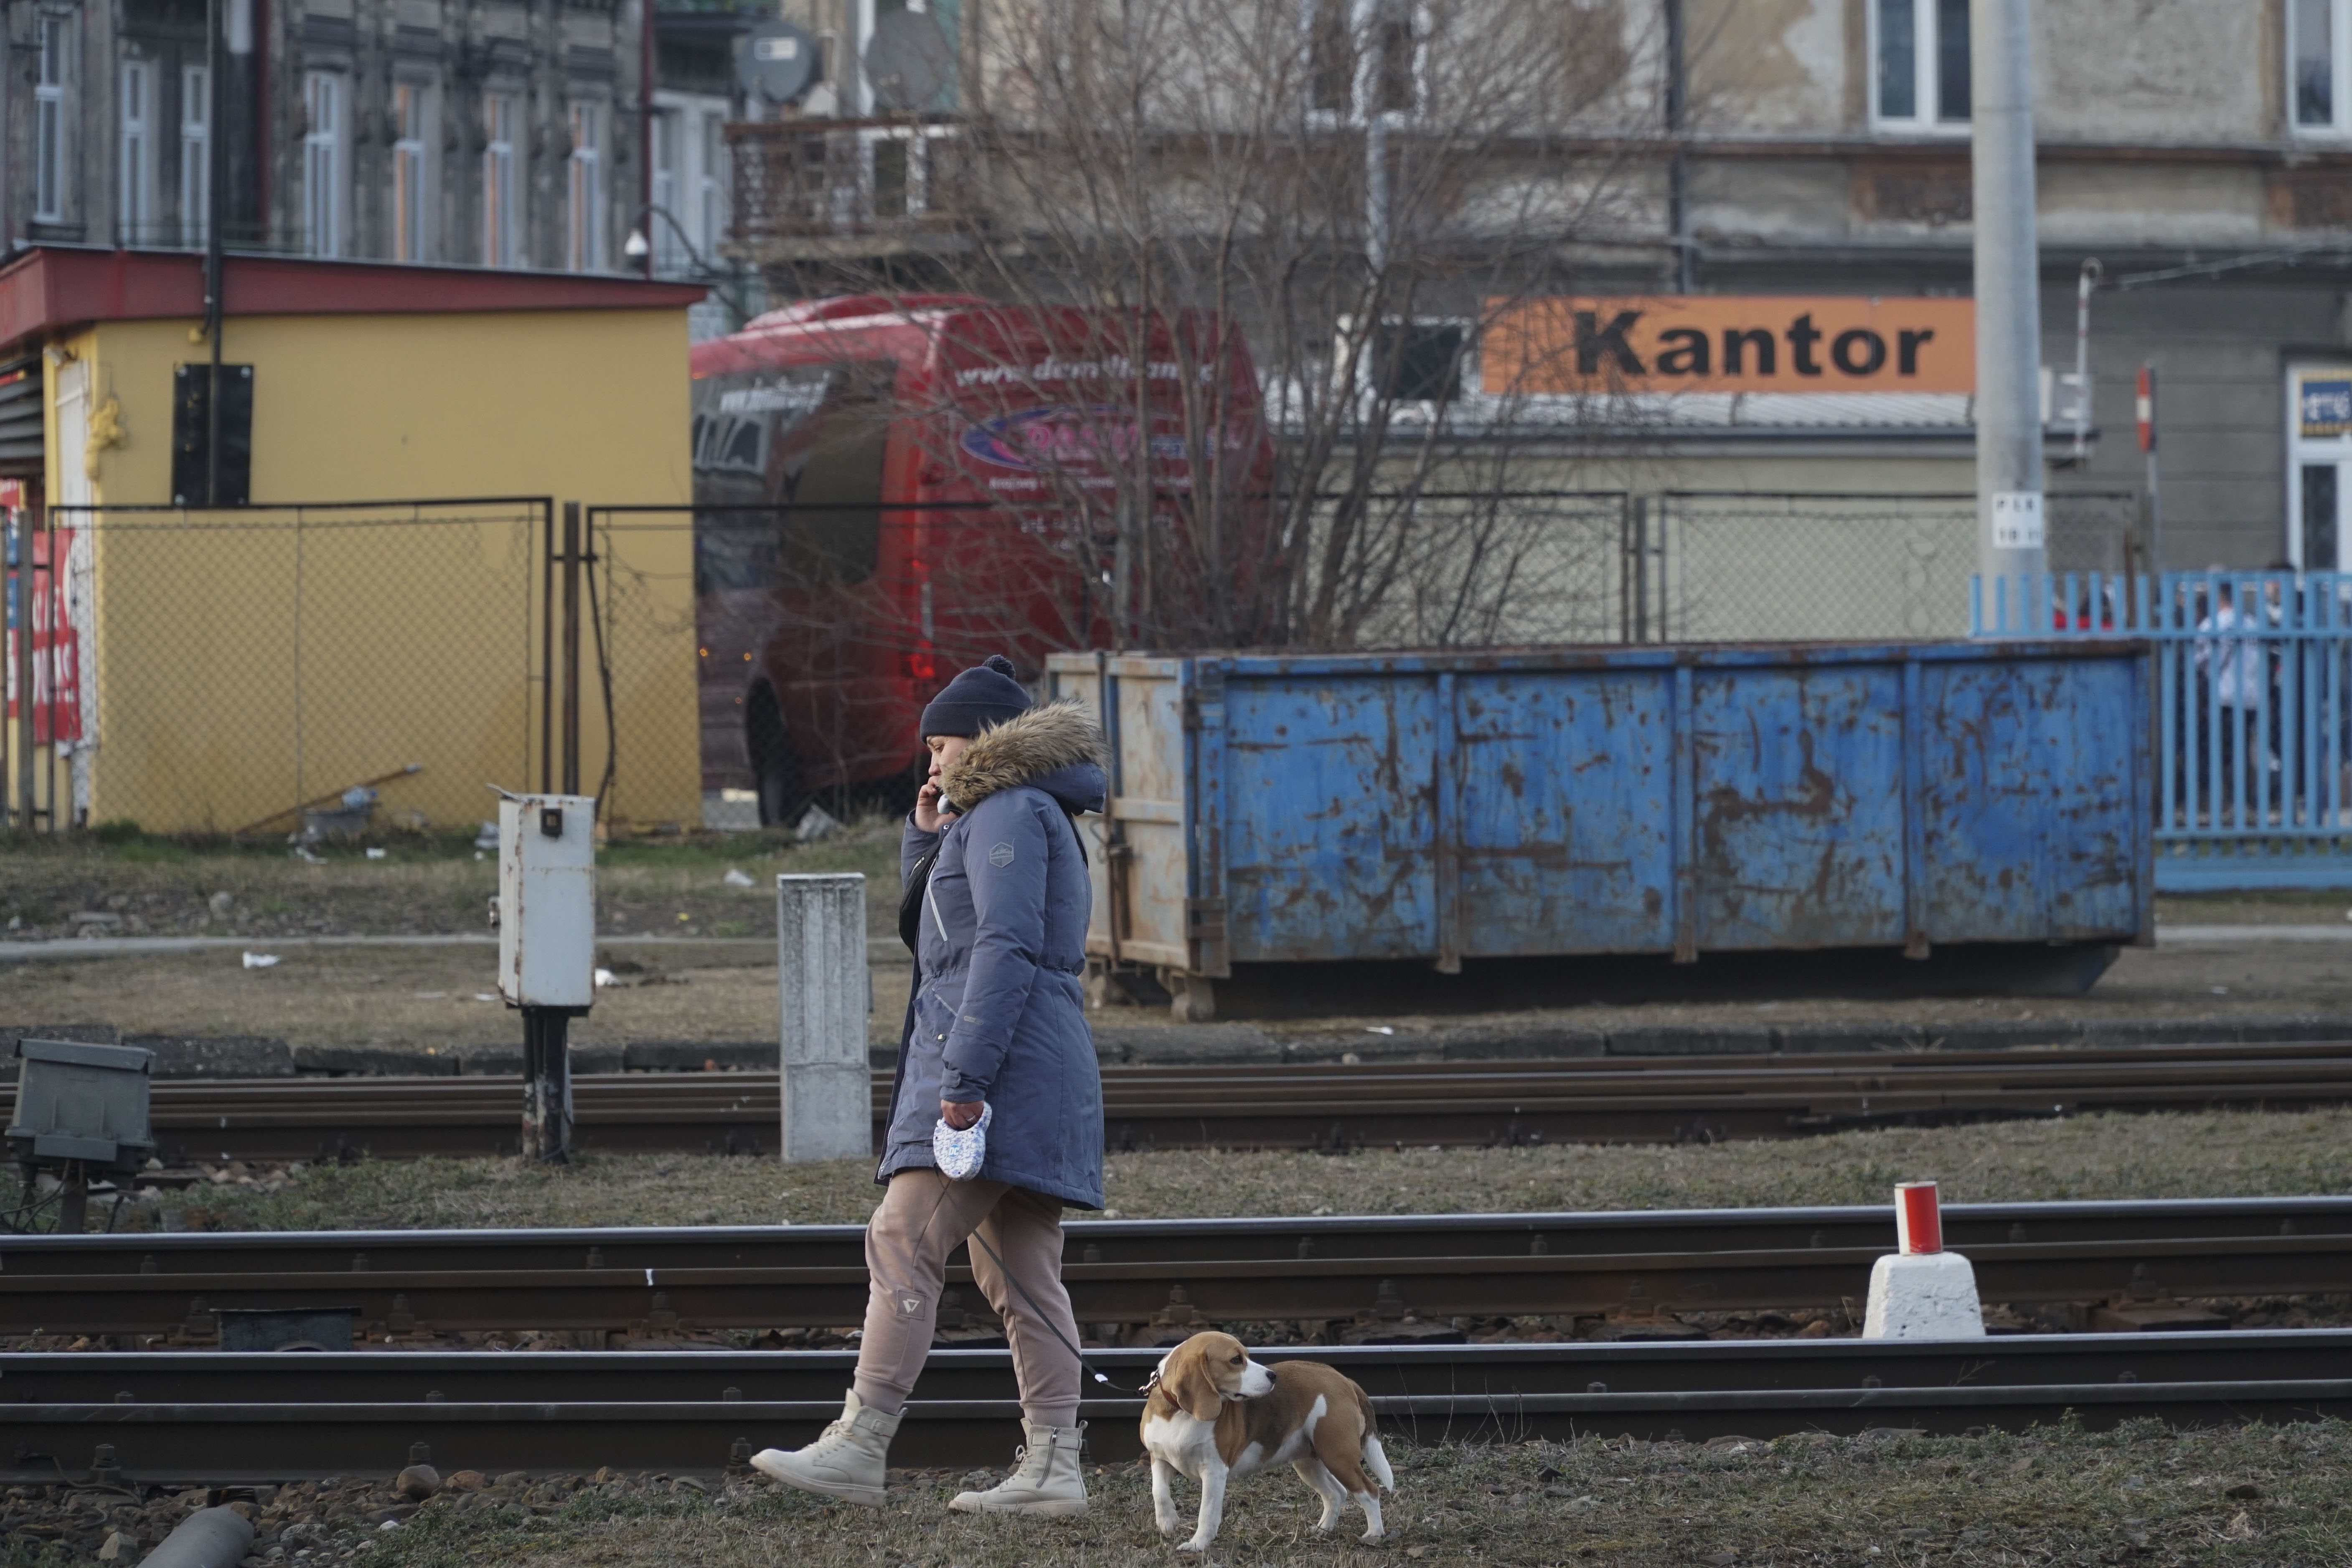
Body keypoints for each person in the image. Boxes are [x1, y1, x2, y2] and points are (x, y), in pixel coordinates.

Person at [753, 654, 1108, 1516]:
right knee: (1018, 1271)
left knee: (903, 1235)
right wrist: (927, 839)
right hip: (1034, 1066)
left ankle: (859, 1442)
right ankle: (1055, 1467)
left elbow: (1005, 947)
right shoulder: (1008, 813)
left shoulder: (1012, 811)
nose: (931, 760)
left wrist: (966, 1081)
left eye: (942, 742)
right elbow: (955, 933)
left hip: (1002, 1069)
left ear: (986, 739)